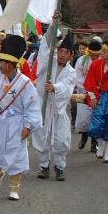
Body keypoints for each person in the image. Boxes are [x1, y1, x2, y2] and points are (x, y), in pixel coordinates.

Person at [0, 35, 42, 201]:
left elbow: (32, 106)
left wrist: (28, 125)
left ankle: (14, 188)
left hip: (17, 124)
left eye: (2, 62)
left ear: (10, 64)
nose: (0, 65)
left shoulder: (25, 83)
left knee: (17, 155)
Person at [32, 22, 76, 182]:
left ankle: (59, 167)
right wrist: (53, 25)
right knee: (41, 136)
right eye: (61, 51)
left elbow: (67, 87)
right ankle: (44, 166)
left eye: (66, 52)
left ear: (71, 55)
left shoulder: (71, 72)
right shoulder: (48, 62)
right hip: (43, 106)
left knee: (61, 139)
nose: (63, 55)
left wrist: (55, 87)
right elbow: (44, 45)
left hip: (58, 110)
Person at [75, 39, 102, 152]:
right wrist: (87, 88)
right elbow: (77, 77)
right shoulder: (82, 60)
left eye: (97, 55)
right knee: (84, 118)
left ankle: (94, 143)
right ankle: (84, 136)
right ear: (89, 52)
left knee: (96, 118)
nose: (95, 57)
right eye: (93, 54)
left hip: (98, 93)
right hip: (83, 91)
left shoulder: (103, 61)